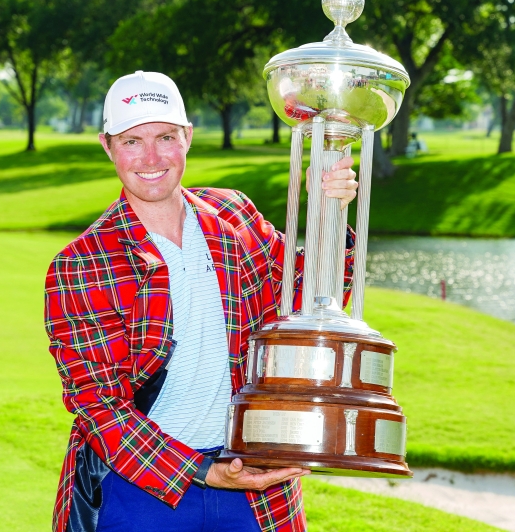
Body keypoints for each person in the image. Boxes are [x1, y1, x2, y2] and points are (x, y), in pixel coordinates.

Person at [44, 71, 359, 532]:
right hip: (141, 488)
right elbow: (98, 404)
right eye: (132, 141)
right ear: (107, 146)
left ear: (187, 138)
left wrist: (328, 211)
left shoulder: (234, 214)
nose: (151, 157)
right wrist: (203, 473)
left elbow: (307, 304)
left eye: (165, 137)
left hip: (253, 481)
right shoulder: (81, 263)